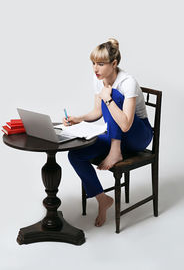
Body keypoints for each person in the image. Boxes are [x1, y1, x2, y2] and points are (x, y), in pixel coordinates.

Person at [62, 38, 153, 227]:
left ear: (114, 63)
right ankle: (102, 199)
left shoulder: (128, 82)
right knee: (76, 155)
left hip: (138, 135)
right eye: (93, 63)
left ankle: (115, 151)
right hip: (115, 133)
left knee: (114, 95)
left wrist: (108, 99)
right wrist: (78, 118)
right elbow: (97, 112)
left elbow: (127, 124)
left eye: (101, 64)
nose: (95, 68)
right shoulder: (99, 80)